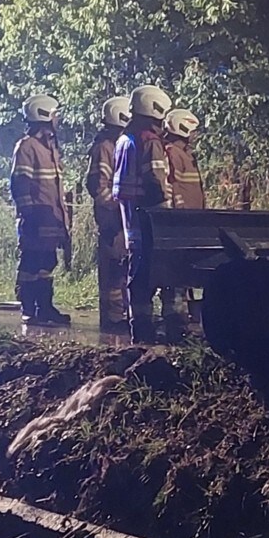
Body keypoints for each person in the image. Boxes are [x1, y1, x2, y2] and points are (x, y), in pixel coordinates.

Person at [113, 85, 172, 344]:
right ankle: (150, 332)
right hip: (150, 220)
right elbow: (156, 183)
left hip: (131, 221)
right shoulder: (149, 141)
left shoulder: (125, 139)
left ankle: (139, 329)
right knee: (154, 275)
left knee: (137, 276)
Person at [9, 94, 71, 326]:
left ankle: (44, 307)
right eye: (55, 114)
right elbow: (20, 183)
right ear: (44, 115)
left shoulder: (50, 148)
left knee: (47, 263)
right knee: (31, 263)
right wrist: (29, 213)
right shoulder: (27, 147)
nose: (57, 119)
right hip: (36, 217)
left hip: (51, 217)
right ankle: (28, 307)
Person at [158, 109, 206, 338]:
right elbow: (172, 187)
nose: (196, 135)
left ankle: (181, 320)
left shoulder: (184, 153)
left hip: (191, 221)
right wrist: (178, 215)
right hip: (180, 222)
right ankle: (174, 323)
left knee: (184, 272)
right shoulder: (172, 153)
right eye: (193, 130)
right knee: (175, 274)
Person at [86, 96, 131, 330]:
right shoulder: (105, 147)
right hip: (111, 221)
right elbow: (97, 185)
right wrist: (115, 211)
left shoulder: (118, 144)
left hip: (121, 220)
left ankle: (120, 315)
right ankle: (113, 319)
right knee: (113, 271)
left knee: (122, 269)